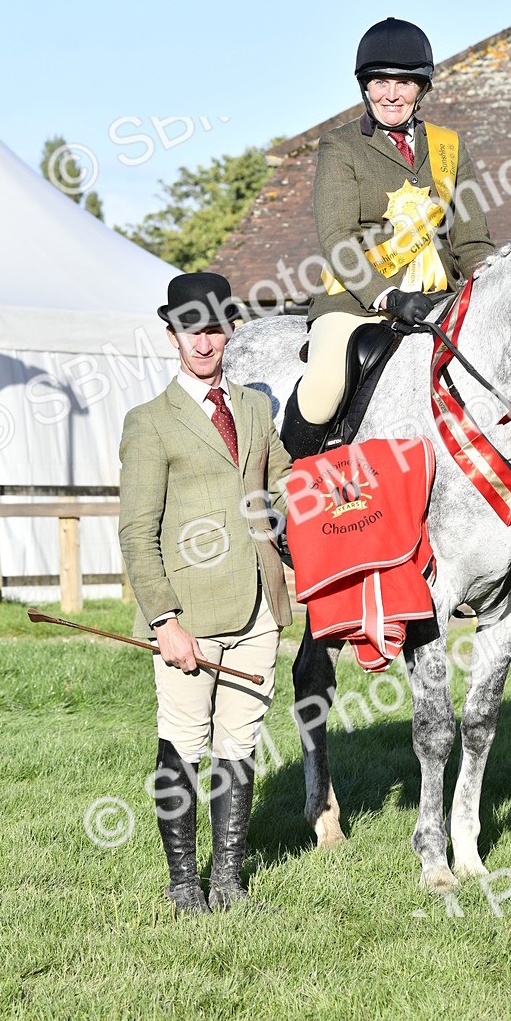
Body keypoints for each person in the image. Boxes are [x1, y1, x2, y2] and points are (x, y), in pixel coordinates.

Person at [119, 272, 292, 915]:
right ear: (172, 336)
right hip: (186, 615)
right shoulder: (150, 423)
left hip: (258, 607)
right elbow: (137, 534)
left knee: (239, 742)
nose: (205, 340)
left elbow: (285, 480)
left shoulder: (253, 408)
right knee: (184, 741)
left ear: (231, 330)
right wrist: (164, 620)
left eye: (215, 326)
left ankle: (227, 879)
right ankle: (184, 883)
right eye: (192, 328)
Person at [280, 16, 495, 460]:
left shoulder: (449, 147)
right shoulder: (340, 147)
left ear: (422, 89)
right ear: (365, 86)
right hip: (357, 302)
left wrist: (491, 291)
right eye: (380, 82)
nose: (391, 94)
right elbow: (338, 239)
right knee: (322, 388)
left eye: (404, 83)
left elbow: (473, 242)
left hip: (439, 302)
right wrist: (387, 296)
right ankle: (286, 493)